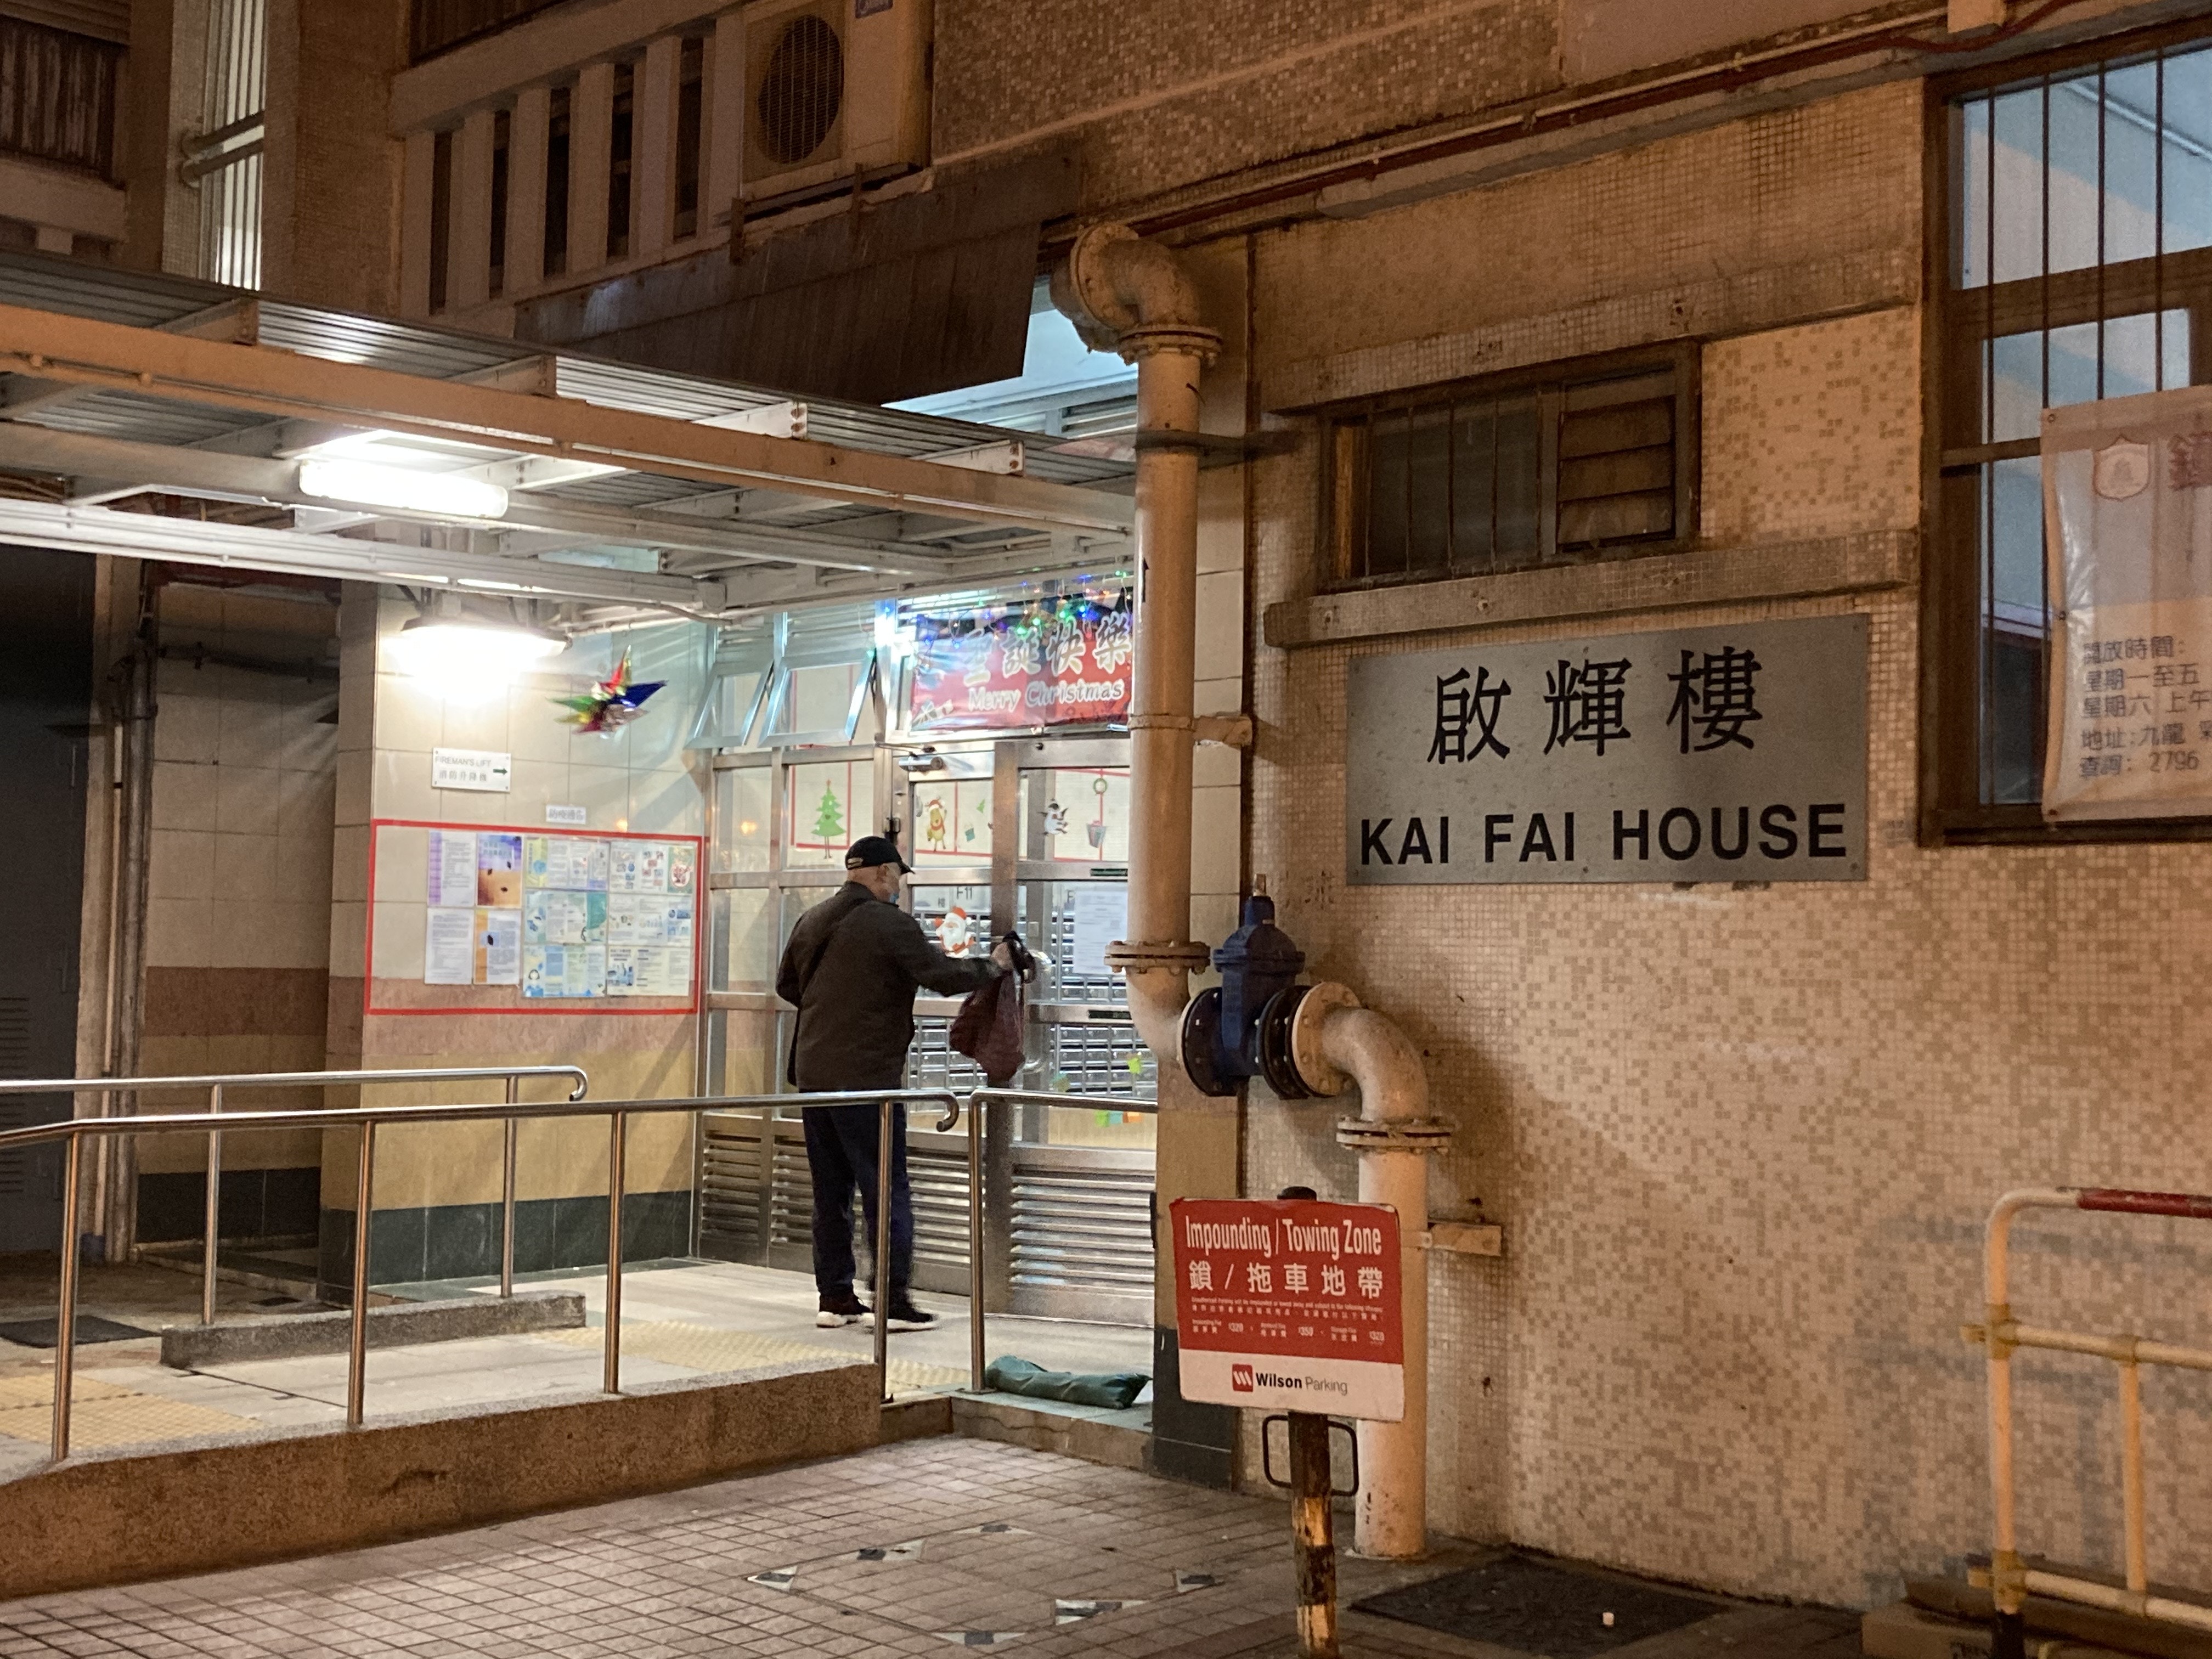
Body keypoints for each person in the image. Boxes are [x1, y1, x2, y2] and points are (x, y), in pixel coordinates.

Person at [776, 833, 1009, 1331]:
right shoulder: (889, 922)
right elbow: (942, 975)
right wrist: (995, 966)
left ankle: (835, 1298)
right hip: (868, 1081)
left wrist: (837, 1012)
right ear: (884, 873)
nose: (899, 886)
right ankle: (893, 1301)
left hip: (814, 1076)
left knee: (830, 1192)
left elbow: (787, 985)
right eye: (899, 876)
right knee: (885, 1187)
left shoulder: (813, 918)